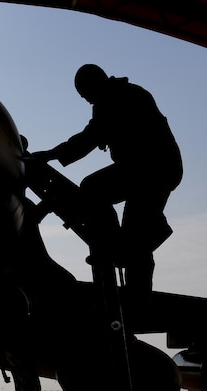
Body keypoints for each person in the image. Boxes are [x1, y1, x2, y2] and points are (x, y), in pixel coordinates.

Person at [31, 63, 183, 302]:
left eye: (86, 97)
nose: (88, 103)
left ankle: (132, 280)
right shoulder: (123, 95)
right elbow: (95, 135)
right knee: (133, 227)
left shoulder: (115, 99)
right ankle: (122, 258)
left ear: (93, 86)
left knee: (127, 220)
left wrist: (50, 154)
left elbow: (90, 137)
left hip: (151, 170)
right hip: (150, 168)